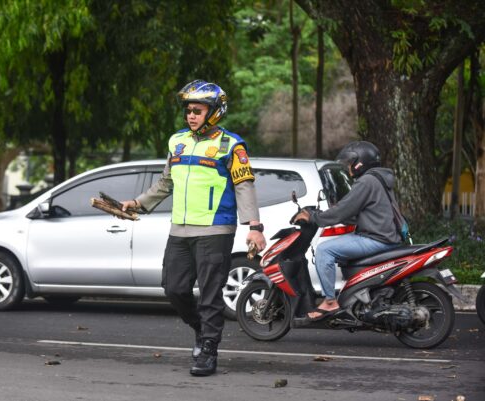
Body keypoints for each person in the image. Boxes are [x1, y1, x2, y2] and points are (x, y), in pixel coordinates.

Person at [121, 79, 266, 376]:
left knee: (211, 294)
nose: (191, 115)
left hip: (215, 230)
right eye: (188, 110)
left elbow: (244, 185)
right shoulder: (177, 141)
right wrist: (138, 203)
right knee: (173, 288)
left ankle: (209, 350)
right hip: (180, 230)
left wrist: (254, 226)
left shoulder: (231, 145)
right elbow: (166, 182)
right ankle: (202, 328)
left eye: (197, 110)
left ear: (214, 112)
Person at [293, 141, 403, 321]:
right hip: (384, 235)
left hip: (377, 238)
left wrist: (314, 217)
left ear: (360, 162)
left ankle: (329, 301)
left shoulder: (367, 181)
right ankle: (354, 297)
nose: (349, 167)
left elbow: (344, 210)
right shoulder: (378, 178)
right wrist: (330, 213)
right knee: (340, 249)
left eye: (351, 162)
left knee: (324, 250)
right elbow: (354, 213)